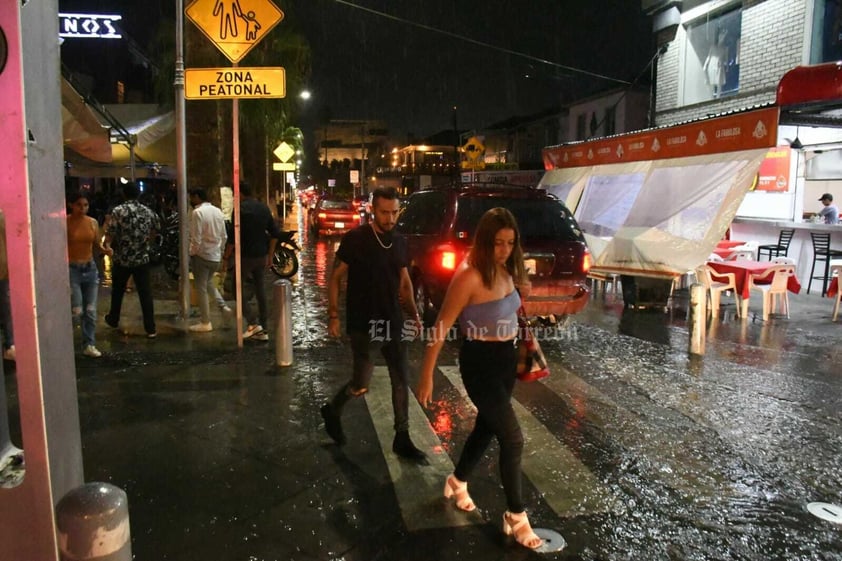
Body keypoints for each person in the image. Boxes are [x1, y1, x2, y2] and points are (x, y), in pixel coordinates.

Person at [414, 207, 542, 550]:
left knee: (487, 428)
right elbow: (440, 327)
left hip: (505, 359)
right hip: (480, 363)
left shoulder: (506, 269)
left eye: (510, 243)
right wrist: (426, 376)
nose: (504, 249)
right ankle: (515, 516)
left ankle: (457, 481)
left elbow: (508, 306)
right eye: (497, 243)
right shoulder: (469, 276)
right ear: (484, 241)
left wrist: (521, 291)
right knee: (513, 439)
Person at [320, 186, 427, 464]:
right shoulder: (357, 239)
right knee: (361, 384)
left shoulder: (399, 242)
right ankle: (333, 409)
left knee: (402, 379)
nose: (390, 219)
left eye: (394, 213)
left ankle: (402, 437)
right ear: (373, 210)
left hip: (394, 321)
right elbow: (335, 277)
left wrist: (414, 317)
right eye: (384, 212)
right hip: (364, 324)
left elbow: (404, 284)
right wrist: (333, 315)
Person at [103, 181, 161, 338]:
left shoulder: (118, 211)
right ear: (139, 194)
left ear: (123, 193)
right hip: (142, 258)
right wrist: (148, 242)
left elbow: (111, 232)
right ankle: (150, 328)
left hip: (122, 258)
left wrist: (107, 244)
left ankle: (113, 319)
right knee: (145, 293)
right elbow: (156, 228)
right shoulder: (147, 211)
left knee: (118, 291)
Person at [224, 182, 279, 342]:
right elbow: (275, 233)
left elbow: (232, 239)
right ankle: (264, 327)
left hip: (245, 256)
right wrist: (270, 254)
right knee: (260, 289)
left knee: (236, 288)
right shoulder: (263, 208)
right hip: (261, 255)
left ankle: (253, 323)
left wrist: (226, 258)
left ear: (240, 193)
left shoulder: (240, 210)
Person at [67, 193, 112, 357]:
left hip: (90, 268)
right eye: (79, 205)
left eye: (86, 205)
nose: (83, 208)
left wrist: (105, 250)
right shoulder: (65, 222)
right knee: (77, 309)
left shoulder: (92, 222)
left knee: (91, 309)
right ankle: (67, 343)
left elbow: (96, 243)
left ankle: (89, 344)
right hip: (72, 268)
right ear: (72, 205)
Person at [188, 188, 228, 332]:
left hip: (202, 255)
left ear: (197, 197)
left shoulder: (197, 213)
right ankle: (223, 306)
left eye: (191, 197)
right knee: (209, 282)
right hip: (215, 256)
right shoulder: (218, 211)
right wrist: (221, 251)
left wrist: (191, 253)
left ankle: (205, 322)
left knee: (201, 288)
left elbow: (196, 238)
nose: (191, 201)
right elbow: (224, 236)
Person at [0, 209, 13, 362]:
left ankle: (10, 343)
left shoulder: (5, 216)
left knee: (7, 309)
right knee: (7, 309)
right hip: (5, 270)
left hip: (5, 270)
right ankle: (10, 343)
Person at [703, 27, 728, 98]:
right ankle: (711, 98)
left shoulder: (724, 49)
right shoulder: (713, 47)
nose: (722, 38)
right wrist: (705, 65)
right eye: (721, 36)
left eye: (723, 37)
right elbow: (709, 56)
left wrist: (723, 63)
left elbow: (726, 60)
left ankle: (718, 97)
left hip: (719, 67)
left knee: (719, 83)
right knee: (711, 82)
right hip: (712, 65)